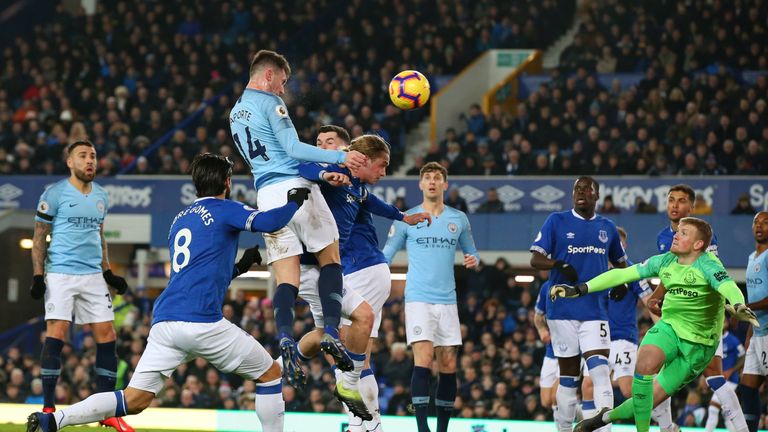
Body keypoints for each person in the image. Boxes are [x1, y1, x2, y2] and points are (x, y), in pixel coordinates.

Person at [26, 153, 307, 432]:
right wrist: (295, 200)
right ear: (227, 182)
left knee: (134, 399)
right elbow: (271, 222)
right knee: (271, 374)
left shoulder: (180, 220)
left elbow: (196, 273)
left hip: (165, 322)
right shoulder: (225, 209)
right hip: (202, 323)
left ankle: (54, 420)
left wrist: (240, 267)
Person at [228, 50, 367, 385]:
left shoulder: (234, 113)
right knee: (329, 257)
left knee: (286, 277)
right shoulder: (270, 103)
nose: (283, 90)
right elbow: (292, 149)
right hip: (294, 187)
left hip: (266, 194)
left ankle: (286, 337)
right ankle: (331, 330)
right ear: (270, 74)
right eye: (283, 82)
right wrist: (340, 156)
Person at [551, 217, 759, 432]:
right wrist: (580, 288)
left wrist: (738, 304)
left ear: (698, 244)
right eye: (677, 231)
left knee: (647, 401)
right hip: (669, 327)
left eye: (684, 233)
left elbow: (728, 286)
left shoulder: (708, 264)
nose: (676, 235)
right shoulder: (665, 261)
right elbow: (623, 273)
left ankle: (604, 418)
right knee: (645, 362)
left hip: (698, 346)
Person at [298, 132, 431, 431]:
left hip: (360, 269)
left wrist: (400, 216)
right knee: (342, 347)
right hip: (366, 270)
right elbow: (302, 166)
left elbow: (367, 199)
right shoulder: (339, 177)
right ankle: (371, 425)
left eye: (329, 141)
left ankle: (359, 423)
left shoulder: (348, 175)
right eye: (382, 166)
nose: (384, 172)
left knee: (339, 351)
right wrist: (402, 216)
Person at [30, 140, 132, 432]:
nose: (90, 161)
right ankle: (49, 406)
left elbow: (100, 237)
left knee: (107, 336)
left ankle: (106, 410)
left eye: (93, 156)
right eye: (83, 156)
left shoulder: (101, 195)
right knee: (57, 333)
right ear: (70, 162)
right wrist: (38, 276)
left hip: (92, 276)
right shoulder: (54, 194)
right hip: (61, 274)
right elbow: (39, 236)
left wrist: (109, 272)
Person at [383, 162, 480, 432]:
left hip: (448, 300)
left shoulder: (458, 218)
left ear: (445, 185)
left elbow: (473, 252)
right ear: (421, 185)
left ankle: (441, 430)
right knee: (423, 360)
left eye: (437, 178)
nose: (433, 181)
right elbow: (386, 255)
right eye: (427, 178)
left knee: (448, 363)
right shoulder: (406, 218)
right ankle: (422, 428)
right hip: (418, 299)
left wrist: (474, 259)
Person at [530, 176, 628, 432]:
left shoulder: (607, 227)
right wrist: (557, 264)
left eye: (587, 189)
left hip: (595, 309)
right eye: (577, 189)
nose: (581, 192)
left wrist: (622, 283)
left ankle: (604, 429)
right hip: (561, 311)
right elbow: (535, 260)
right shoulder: (556, 220)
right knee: (569, 378)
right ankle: (563, 430)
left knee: (599, 371)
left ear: (597, 196)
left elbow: (621, 264)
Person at [650, 184, 746, 431]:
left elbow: (714, 273)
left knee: (714, 374)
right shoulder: (663, 237)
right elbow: (669, 273)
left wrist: (725, 307)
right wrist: (657, 295)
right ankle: (666, 427)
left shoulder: (704, 234)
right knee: (660, 370)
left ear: (692, 207)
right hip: (676, 318)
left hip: (702, 318)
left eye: (681, 201)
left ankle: (742, 427)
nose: (675, 205)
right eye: (671, 200)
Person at [609, 227, 656, 401]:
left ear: (625, 246)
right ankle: (600, 428)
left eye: (620, 244)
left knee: (627, 391)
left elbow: (650, 302)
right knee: (589, 385)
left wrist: (662, 329)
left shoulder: (633, 271)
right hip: (598, 337)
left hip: (623, 337)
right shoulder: (597, 267)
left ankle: (661, 411)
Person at [736, 211, 768, 432]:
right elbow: (756, 296)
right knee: (747, 388)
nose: (760, 226)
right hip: (757, 333)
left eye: (766, 223)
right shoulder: (750, 257)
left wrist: (747, 308)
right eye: (756, 222)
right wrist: (749, 332)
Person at [704, 321, 745, 432]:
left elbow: (743, 356)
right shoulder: (712, 339)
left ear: (727, 323)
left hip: (730, 380)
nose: (722, 322)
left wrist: (731, 371)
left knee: (713, 407)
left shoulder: (733, 340)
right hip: (717, 378)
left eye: (724, 320)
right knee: (727, 413)